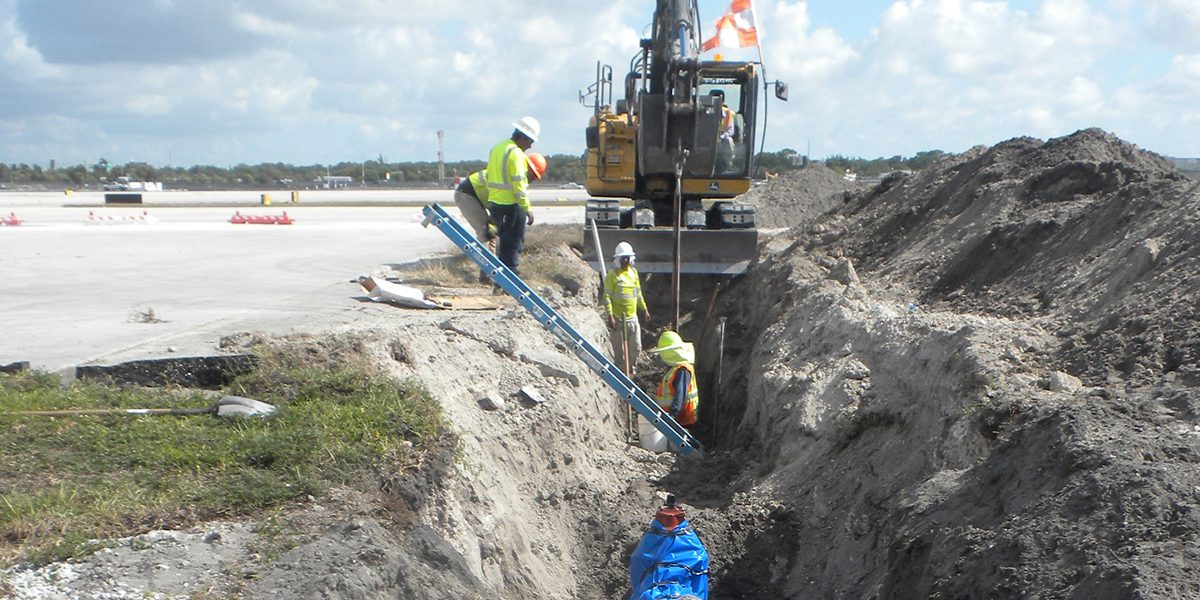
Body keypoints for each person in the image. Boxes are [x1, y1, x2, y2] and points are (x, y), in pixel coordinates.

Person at [454, 151, 547, 281]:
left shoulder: (515, 175)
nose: (532, 179)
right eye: (533, 175)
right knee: (484, 233)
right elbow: (509, 196)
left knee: (491, 234)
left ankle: (488, 275)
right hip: (467, 194)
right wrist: (526, 210)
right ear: (527, 168)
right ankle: (487, 274)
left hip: (481, 197)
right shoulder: (513, 175)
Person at [486, 116, 541, 276]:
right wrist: (527, 208)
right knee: (513, 244)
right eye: (530, 141)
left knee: (504, 244)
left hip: (495, 203)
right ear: (523, 136)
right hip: (511, 205)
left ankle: (500, 280)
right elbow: (519, 185)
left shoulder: (497, 148)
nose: (530, 146)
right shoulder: (516, 154)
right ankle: (510, 278)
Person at [603, 241, 650, 374]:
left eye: (627, 257)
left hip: (632, 318)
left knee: (636, 347)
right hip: (618, 319)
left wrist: (644, 309)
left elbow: (638, 293)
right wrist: (610, 315)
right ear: (618, 259)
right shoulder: (613, 274)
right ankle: (621, 375)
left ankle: (631, 372)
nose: (625, 260)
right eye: (622, 258)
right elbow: (607, 296)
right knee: (620, 353)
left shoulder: (633, 273)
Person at [649, 330, 699, 427]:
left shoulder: (682, 370)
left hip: (682, 420)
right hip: (677, 418)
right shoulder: (676, 369)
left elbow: (679, 396)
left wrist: (671, 417)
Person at [711, 90, 736, 173]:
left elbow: (731, 130)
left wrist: (721, 137)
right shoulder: (702, 112)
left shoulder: (728, 114)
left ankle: (728, 165)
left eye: (718, 100)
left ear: (723, 102)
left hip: (723, 140)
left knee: (729, 140)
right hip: (708, 139)